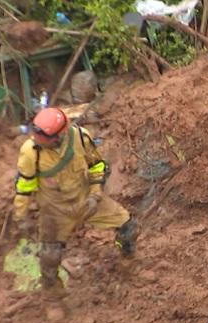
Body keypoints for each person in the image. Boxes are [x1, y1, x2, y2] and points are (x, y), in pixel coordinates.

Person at [13, 108, 138, 295]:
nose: (38, 139)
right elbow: (24, 186)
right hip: (55, 210)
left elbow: (97, 165)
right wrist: (20, 215)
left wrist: (95, 195)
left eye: (44, 136)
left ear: (60, 134)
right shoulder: (30, 153)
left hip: (85, 199)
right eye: (36, 133)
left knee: (129, 227)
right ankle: (53, 297)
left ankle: (126, 258)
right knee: (50, 257)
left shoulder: (81, 138)